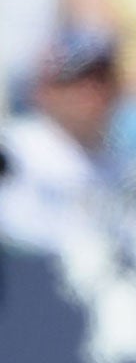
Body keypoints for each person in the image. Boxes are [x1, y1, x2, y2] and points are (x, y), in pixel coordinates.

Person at [0, 29, 123, 253]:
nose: (91, 92)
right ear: (44, 90)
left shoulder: (123, 165)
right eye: (76, 80)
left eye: (101, 79)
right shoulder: (13, 149)